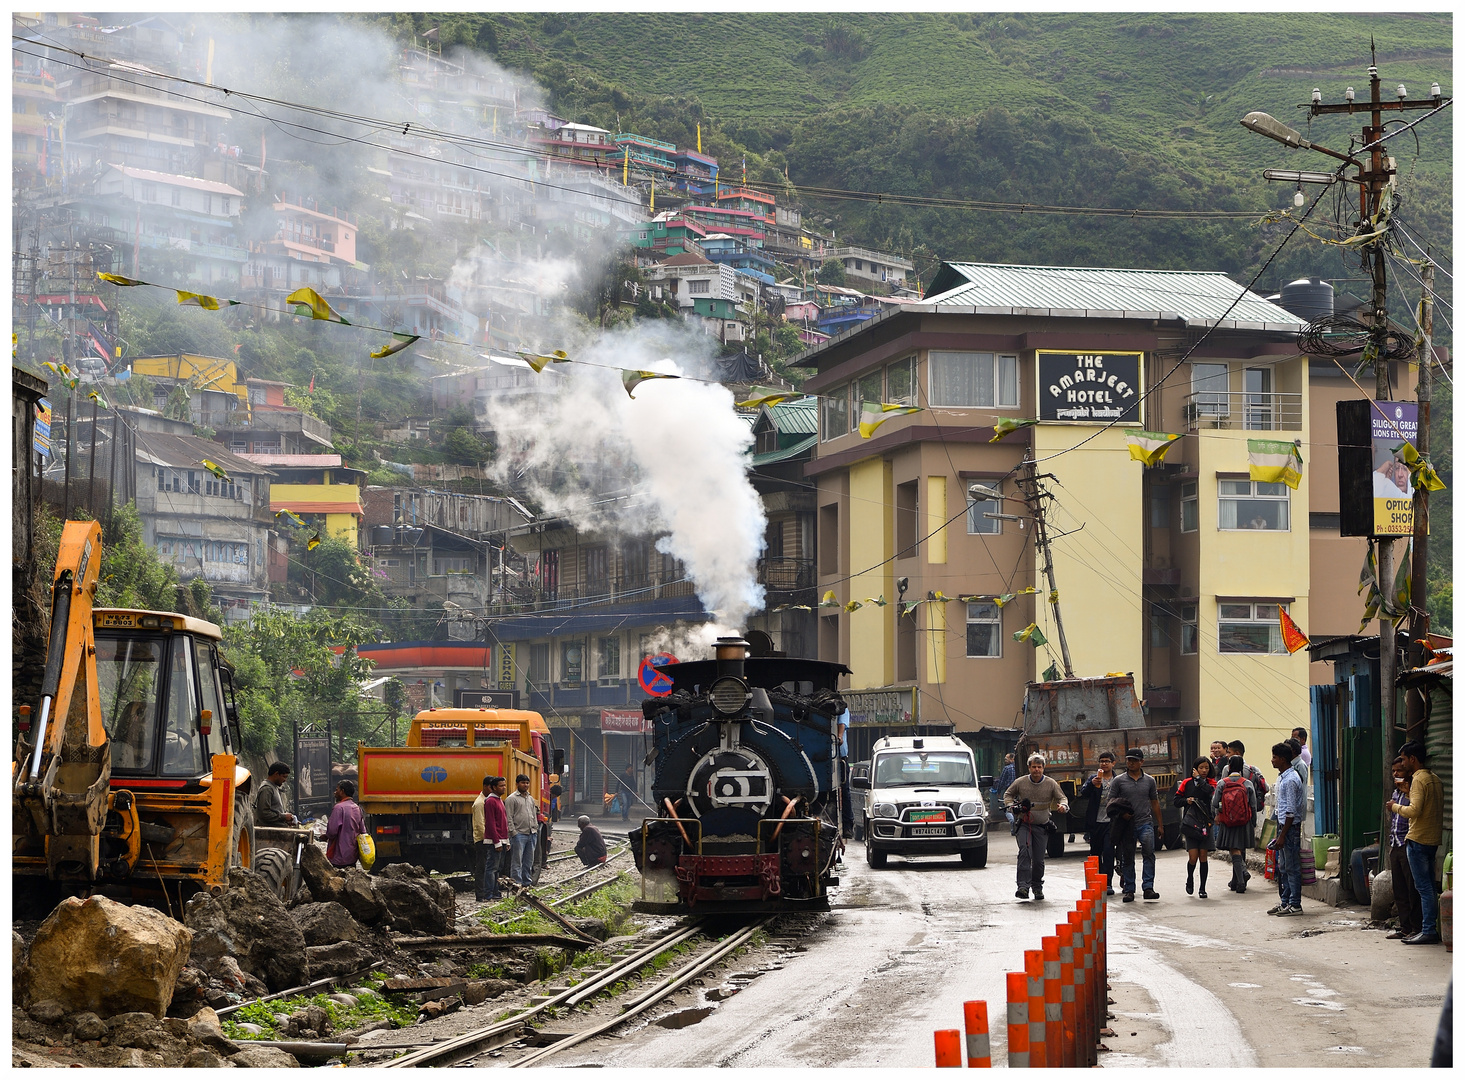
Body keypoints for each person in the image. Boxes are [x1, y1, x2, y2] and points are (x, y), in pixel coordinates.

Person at [1388, 740, 1444, 944]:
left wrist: (1395, 807)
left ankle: (1428, 929)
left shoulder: (1419, 779)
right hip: (1431, 839)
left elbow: (1415, 810)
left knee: (1423, 888)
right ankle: (1427, 928)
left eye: (1403, 759)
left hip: (1418, 839)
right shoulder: (1434, 778)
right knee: (1427, 887)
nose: (1402, 764)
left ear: (1413, 759)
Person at [1003, 753, 1068, 901]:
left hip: (1042, 826)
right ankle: (1023, 887)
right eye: (1034, 767)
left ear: (1043, 768)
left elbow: (1062, 798)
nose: (1036, 770)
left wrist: (1063, 806)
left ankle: (1037, 887)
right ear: (1029, 768)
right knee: (1025, 852)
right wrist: (1011, 807)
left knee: (1039, 861)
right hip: (1024, 825)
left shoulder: (1051, 784)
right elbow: (1008, 794)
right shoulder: (1020, 782)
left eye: (1039, 767)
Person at [1109, 748, 1163, 902]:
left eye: (1134, 760)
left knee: (1149, 854)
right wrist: (1121, 814)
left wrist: (1160, 825)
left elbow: (1155, 802)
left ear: (1141, 762)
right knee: (1127, 857)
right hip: (1126, 825)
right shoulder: (1118, 781)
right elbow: (1111, 802)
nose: (1130, 763)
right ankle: (1129, 889)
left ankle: (1148, 888)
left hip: (1145, 822)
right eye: (1128, 760)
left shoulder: (1149, 781)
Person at [1384, 757, 1421, 940]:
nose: (1395, 775)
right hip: (1396, 844)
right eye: (1393, 772)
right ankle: (1405, 927)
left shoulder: (1412, 791)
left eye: (1399, 771)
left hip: (1408, 843)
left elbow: (1414, 812)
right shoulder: (1396, 793)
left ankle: (1416, 927)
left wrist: (1406, 794)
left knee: (1411, 888)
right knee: (1399, 889)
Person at [1267, 742, 1305, 916]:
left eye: (1274, 757)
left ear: (1282, 759)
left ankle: (1295, 904)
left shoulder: (1290, 779)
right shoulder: (1283, 777)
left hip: (1290, 828)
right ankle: (1285, 902)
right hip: (1283, 826)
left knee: (1291, 867)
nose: (1272, 760)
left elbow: (1291, 811)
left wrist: (1282, 835)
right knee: (1283, 867)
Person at [1212, 755, 1258, 894]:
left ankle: (1241, 879)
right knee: (1240, 848)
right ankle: (1236, 880)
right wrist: (1253, 822)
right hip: (1244, 821)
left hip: (1228, 821)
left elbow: (1215, 803)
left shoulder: (1222, 783)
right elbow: (1253, 805)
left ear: (1229, 766)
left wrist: (1218, 814)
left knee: (1234, 849)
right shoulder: (1247, 783)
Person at [1175, 756, 1216, 898]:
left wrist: (1199, 780)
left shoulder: (1211, 783)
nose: (1204, 770)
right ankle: (1190, 878)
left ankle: (1202, 888)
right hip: (1191, 824)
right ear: (1195, 769)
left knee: (1203, 856)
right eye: (1201, 768)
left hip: (1206, 824)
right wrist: (1187, 800)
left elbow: (1210, 793)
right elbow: (1176, 801)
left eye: (1206, 768)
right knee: (1193, 857)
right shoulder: (1186, 783)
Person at [1080, 751, 1118, 895]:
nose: (1104, 763)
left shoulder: (1117, 779)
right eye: (1101, 761)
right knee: (1095, 853)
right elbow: (1083, 792)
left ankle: (1107, 883)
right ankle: (1097, 881)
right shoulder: (1094, 778)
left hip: (1111, 822)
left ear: (1113, 763)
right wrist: (1091, 784)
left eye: (1107, 761)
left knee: (1108, 852)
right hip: (1096, 822)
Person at [473, 776, 510, 901]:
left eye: (504, 785)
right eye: (501, 786)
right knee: (491, 868)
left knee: (497, 868)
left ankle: (495, 891)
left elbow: (503, 822)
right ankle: (488, 893)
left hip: (502, 839)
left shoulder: (499, 800)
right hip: (495, 840)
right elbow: (490, 823)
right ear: (494, 787)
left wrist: (506, 839)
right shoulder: (490, 801)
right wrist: (496, 841)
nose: (503, 788)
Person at [505, 773, 539, 887]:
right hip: (519, 834)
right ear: (517, 784)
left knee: (528, 861)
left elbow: (533, 814)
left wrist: (535, 828)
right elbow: (508, 817)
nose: (525, 785)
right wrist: (513, 832)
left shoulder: (530, 799)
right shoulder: (511, 799)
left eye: (527, 783)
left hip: (531, 834)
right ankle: (517, 884)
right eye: (523, 783)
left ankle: (526, 883)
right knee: (517, 861)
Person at [325, 780, 365, 869]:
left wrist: (325, 836)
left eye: (337, 790)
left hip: (338, 856)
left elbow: (332, 832)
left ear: (342, 791)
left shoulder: (338, 808)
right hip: (352, 856)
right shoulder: (357, 808)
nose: (335, 793)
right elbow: (363, 831)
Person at [255, 762, 298, 826]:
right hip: (269, 833)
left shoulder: (274, 787)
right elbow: (264, 814)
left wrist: (287, 820)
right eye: (284, 777)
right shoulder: (267, 789)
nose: (285, 780)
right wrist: (284, 817)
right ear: (276, 774)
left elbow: (275, 812)